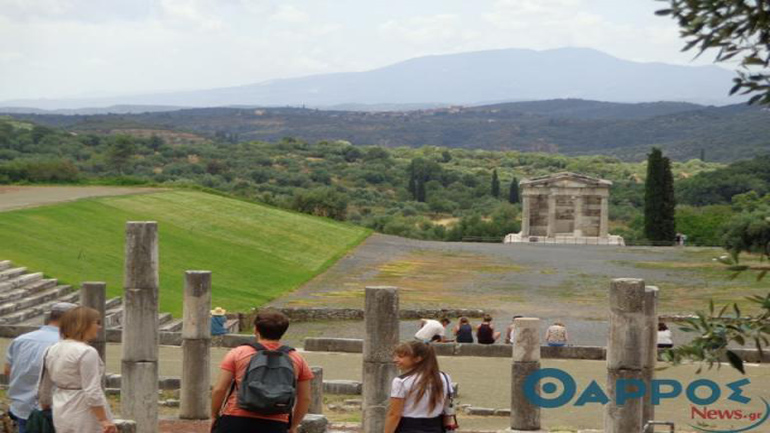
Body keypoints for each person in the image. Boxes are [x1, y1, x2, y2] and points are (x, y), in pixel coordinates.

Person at [211, 310, 313, 433]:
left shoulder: (238, 353)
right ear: (283, 332)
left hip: (236, 418)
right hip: (276, 421)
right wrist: (293, 426)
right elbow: (305, 398)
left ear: (256, 330)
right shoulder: (296, 358)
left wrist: (214, 415)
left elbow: (219, 389)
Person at [38, 306, 117, 433]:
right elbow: (92, 390)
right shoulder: (86, 352)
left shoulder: (52, 349)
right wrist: (103, 419)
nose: (99, 327)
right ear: (83, 325)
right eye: (97, 323)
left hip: (61, 405)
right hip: (84, 410)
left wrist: (45, 404)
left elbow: (44, 385)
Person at [4, 302, 77, 433]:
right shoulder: (69, 344)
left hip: (23, 407)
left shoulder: (21, 340)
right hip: (57, 411)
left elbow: (8, 371)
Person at [384, 341, 453, 433]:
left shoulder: (401, 381)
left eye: (400, 357)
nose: (395, 360)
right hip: (436, 427)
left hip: (408, 427)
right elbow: (447, 409)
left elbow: (394, 414)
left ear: (417, 359)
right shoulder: (444, 377)